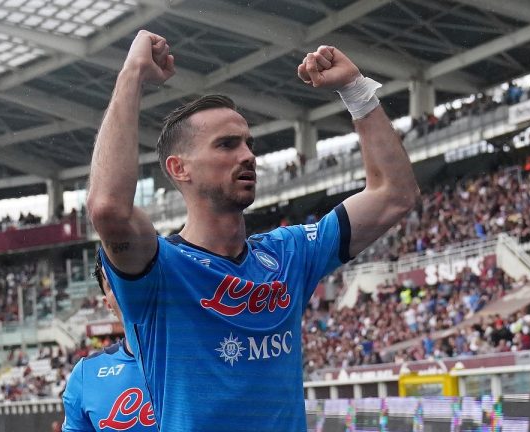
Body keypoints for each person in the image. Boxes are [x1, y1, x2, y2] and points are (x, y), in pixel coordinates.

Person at [86, 30, 419, 431]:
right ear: (179, 169)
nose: (247, 156)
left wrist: (356, 91)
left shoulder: (290, 253)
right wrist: (132, 76)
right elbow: (107, 207)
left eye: (249, 143)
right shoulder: (158, 271)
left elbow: (396, 193)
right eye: (226, 145)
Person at [62, 255, 156, 431]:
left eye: (135, 275)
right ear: (108, 305)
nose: (126, 287)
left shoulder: (204, 358)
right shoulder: (86, 374)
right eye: (114, 283)